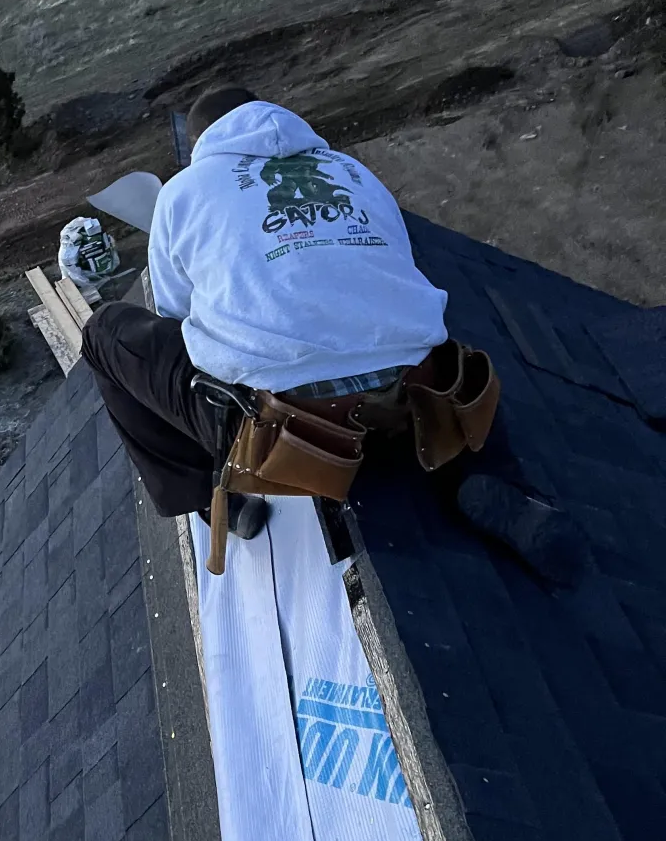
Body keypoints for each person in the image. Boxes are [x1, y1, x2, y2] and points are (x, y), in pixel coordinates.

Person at [81, 85, 585, 584]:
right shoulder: (351, 170)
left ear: (201, 144)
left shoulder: (182, 193)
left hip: (285, 426)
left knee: (105, 333)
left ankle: (216, 502)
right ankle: (483, 474)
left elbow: (176, 317)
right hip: (419, 391)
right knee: (401, 326)